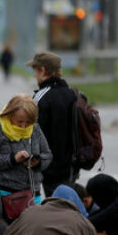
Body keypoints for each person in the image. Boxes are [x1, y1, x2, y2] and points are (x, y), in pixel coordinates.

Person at [0, 94, 52, 222]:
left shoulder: (35, 129)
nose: (24, 127)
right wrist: (12, 159)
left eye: (28, 122)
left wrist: (37, 162)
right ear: (10, 115)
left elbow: (48, 155)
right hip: (2, 195)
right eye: (20, 122)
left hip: (32, 194)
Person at [27, 51, 78, 196]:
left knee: (54, 207)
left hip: (49, 167)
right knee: (67, 205)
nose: (34, 75)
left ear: (42, 70)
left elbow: (33, 133)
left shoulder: (41, 98)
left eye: (35, 71)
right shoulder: (72, 94)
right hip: (71, 166)